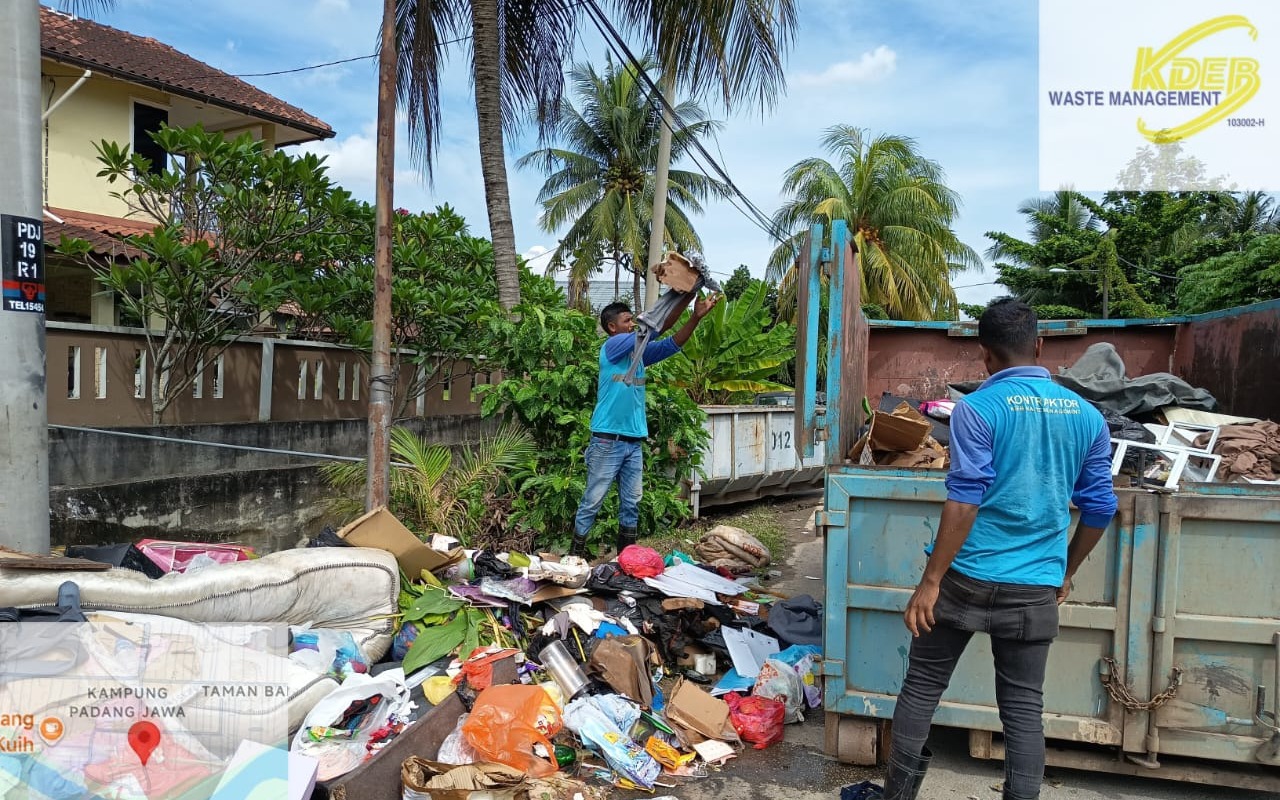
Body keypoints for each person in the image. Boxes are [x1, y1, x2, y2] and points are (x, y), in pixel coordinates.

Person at [883, 298, 1118, 800]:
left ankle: (895, 796)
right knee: (1023, 708)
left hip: (965, 577)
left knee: (923, 686)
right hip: (1035, 585)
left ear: (985, 356)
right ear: (1039, 345)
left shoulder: (977, 409)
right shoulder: (1087, 416)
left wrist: (930, 583)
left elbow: (965, 499)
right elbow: (1099, 508)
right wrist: (1065, 571)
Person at [568, 293, 720, 559]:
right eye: (627, 321)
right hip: (607, 441)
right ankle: (574, 557)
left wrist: (694, 314)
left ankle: (626, 562)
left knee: (631, 504)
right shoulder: (612, 348)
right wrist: (683, 297)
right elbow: (656, 327)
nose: (631, 325)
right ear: (612, 327)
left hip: (633, 442)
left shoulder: (639, 355)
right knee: (592, 501)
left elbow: (672, 343)